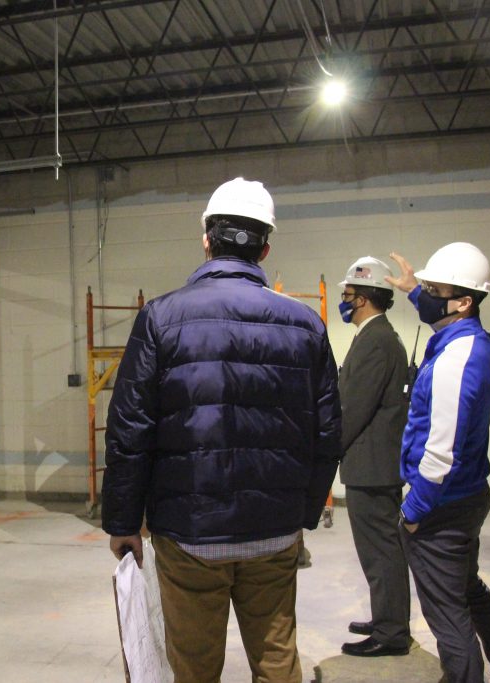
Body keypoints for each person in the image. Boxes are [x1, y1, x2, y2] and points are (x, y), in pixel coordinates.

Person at [101, 177, 342, 683]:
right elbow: (327, 432)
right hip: (274, 530)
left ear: (206, 239)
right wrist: (302, 512)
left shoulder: (161, 318)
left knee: (194, 665)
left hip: (188, 532)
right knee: (277, 659)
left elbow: (130, 428)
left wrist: (123, 520)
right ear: (266, 247)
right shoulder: (306, 325)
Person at [385, 243, 490, 683]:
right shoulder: (473, 342)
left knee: (450, 621)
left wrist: (413, 512)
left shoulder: (457, 357)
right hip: (465, 498)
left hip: (441, 508)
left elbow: (441, 453)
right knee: (470, 592)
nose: (425, 296)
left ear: (464, 301)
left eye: (434, 289)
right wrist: (415, 291)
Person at [335, 256, 412, 658]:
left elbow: (353, 409)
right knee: (382, 551)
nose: (343, 302)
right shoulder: (379, 336)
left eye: (347, 295)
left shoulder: (375, 340)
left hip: (371, 467)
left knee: (381, 552)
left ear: (362, 298)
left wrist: (327, 450)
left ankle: (391, 633)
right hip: (375, 464)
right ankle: (388, 619)